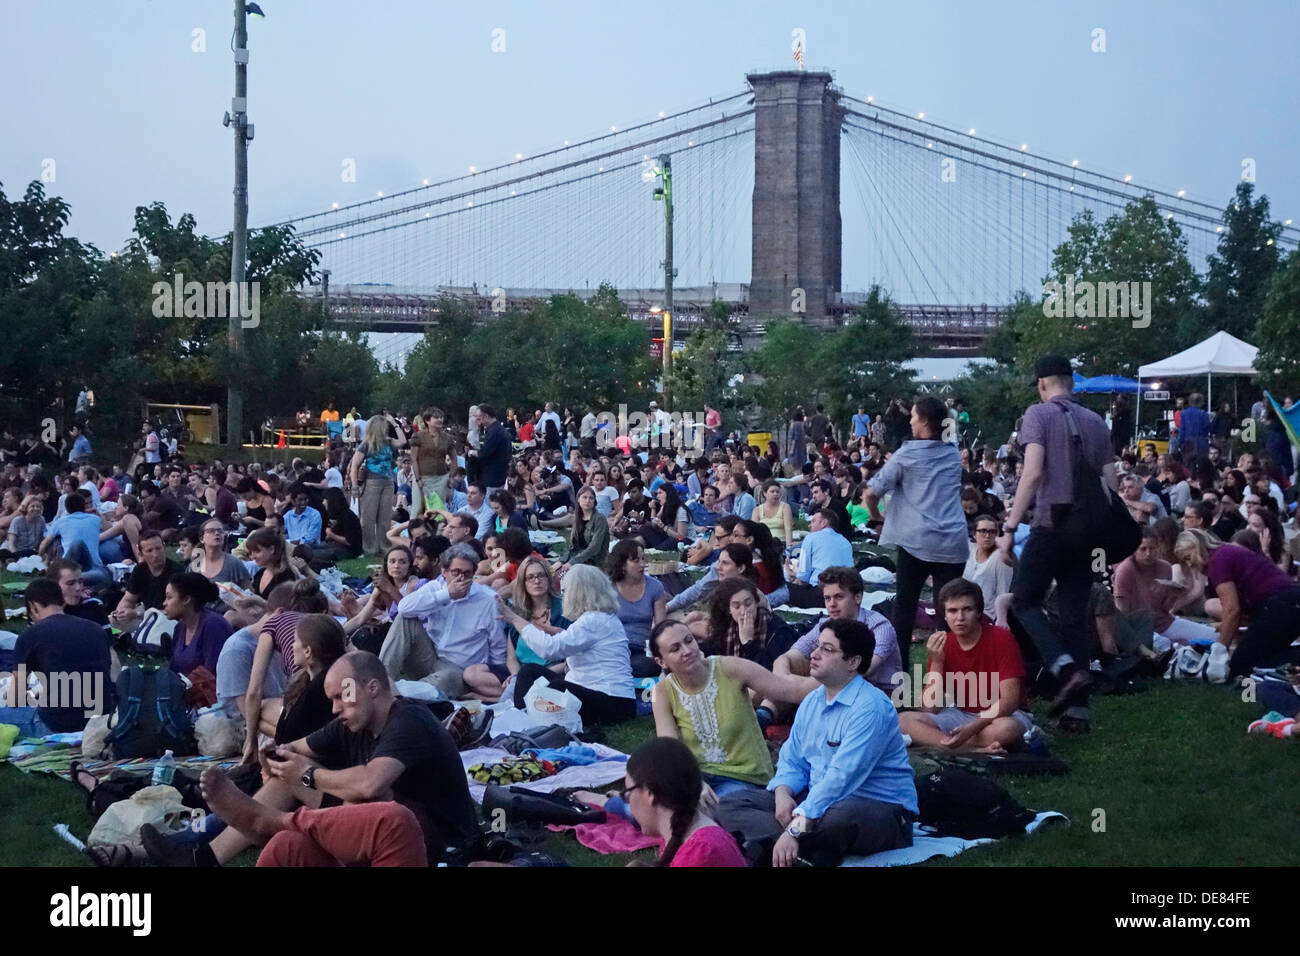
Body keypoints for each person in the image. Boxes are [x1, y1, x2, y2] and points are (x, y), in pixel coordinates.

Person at [147, 651, 476, 867]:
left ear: (373, 688)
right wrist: (274, 759)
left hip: (430, 843)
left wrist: (309, 776)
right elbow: (293, 748)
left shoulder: (409, 720)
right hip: (373, 830)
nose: (334, 708)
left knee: (370, 795)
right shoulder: (352, 720)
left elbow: (370, 783)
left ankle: (262, 823)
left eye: (340, 697)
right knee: (291, 780)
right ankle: (207, 858)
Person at [716, 618, 917, 867]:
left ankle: (783, 844)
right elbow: (792, 760)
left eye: (827, 649)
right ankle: (802, 850)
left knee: (837, 818)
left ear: (853, 662)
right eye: (818, 646)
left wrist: (795, 828)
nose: (814, 654)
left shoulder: (870, 708)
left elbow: (843, 778)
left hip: (875, 807)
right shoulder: (812, 701)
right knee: (730, 805)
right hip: (815, 796)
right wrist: (782, 794)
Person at [1001, 355, 1117, 734]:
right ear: (1071, 382)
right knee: (1072, 613)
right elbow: (1110, 482)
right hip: (1089, 529)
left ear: (1041, 384)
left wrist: (1011, 525)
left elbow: (1033, 472)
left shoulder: (1038, 414)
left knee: (1022, 600)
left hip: (1052, 524)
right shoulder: (1096, 421)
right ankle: (1078, 713)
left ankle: (1064, 669)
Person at [863, 396, 969, 648]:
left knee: (905, 605)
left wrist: (877, 516)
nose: (910, 421)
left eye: (912, 416)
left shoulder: (906, 454)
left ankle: (900, 670)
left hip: (917, 540)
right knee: (950, 611)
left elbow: (870, 492)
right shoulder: (953, 454)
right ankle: (948, 672)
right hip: (953, 541)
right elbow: (949, 434)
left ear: (923, 422)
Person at [898, 578, 1036, 753]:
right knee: (903, 720)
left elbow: (1010, 700)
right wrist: (938, 662)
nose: (960, 618)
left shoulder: (1001, 638)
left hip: (1002, 715)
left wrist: (973, 728)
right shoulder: (943, 643)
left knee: (1005, 729)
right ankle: (971, 749)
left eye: (967, 609)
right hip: (961, 713)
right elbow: (930, 708)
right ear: (945, 616)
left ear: (978, 612)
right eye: (953, 611)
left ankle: (950, 744)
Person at [498, 564, 636, 724]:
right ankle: (522, 716)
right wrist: (556, 632)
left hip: (613, 702)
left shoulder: (592, 620)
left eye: (566, 591)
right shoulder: (601, 618)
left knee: (552, 689)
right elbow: (578, 643)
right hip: (608, 697)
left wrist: (514, 618)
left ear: (579, 593)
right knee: (529, 672)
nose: (564, 597)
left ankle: (523, 721)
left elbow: (550, 650)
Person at [378, 542, 506, 699]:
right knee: (405, 619)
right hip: (429, 654)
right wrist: (446, 595)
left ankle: (399, 695)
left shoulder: (488, 600)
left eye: (467, 573)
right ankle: (382, 679)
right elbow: (404, 607)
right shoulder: (435, 587)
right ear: (444, 572)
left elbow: (498, 646)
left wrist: (490, 679)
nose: (461, 578)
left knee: (446, 681)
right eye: (456, 572)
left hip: (458, 667)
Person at [1173, 529, 1300, 678]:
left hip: (1279, 604)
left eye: (1188, 557)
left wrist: (1218, 651)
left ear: (1197, 547)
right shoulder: (1227, 552)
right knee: (1264, 655)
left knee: (1241, 665)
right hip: (1287, 601)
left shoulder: (1218, 560)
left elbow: (1232, 609)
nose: (1189, 564)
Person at [0, 578, 113, 736]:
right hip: (101, 719)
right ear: (62, 602)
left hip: (57, 724)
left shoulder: (31, 635)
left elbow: (15, 698)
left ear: (33, 606)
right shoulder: (96, 630)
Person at [774, 566, 900, 695]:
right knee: (794, 667)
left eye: (839, 597)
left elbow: (862, 671)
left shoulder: (879, 626)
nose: (831, 604)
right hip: (841, 686)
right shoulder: (826, 624)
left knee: (802, 678)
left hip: (881, 694)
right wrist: (782, 670)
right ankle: (766, 711)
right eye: (827, 598)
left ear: (858, 597)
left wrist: (797, 684)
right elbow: (794, 653)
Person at [701, 577, 799, 669]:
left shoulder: (777, 631)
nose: (744, 611)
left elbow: (769, 673)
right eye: (737, 607)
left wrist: (748, 643)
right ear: (729, 609)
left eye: (748, 604)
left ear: (756, 602)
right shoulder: (726, 626)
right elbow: (708, 650)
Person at [350, 412, 407, 555]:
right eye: (385, 426)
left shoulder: (388, 441)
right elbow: (354, 466)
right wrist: (355, 485)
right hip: (371, 482)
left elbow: (402, 441)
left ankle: (385, 546)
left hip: (388, 482)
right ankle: (369, 547)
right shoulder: (366, 445)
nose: (386, 428)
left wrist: (394, 423)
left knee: (385, 518)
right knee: (368, 517)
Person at [609, 539, 668, 676]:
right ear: (622, 564)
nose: (642, 564)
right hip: (614, 646)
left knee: (650, 666)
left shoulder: (655, 587)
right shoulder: (608, 587)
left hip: (641, 648)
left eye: (643, 559)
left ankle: (614, 670)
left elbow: (661, 627)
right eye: (636, 560)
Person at [164, 572, 234, 679]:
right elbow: (173, 670)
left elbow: (212, 676)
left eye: (169, 597)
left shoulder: (214, 625)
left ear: (186, 599)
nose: (164, 603)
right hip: (184, 691)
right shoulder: (180, 627)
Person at [108, 530, 180, 631]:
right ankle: (121, 638)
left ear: (164, 547)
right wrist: (121, 612)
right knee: (112, 620)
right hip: (146, 614)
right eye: (149, 551)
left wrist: (137, 614)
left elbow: (177, 610)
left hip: (169, 618)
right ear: (141, 553)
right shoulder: (140, 570)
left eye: (158, 548)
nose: (155, 554)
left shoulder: (177, 572)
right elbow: (128, 599)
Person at [783, 508, 853, 608]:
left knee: (780, 586)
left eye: (813, 521)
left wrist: (794, 575)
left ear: (824, 523)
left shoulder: (811, 538)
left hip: (823, 595)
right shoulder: (846, 542)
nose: (809, 525)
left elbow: (803, 580)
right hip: (846, 596)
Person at [964, 514, 1015, 614]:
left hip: (985, 613)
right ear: (974, 534)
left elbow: (1002, 592)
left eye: (992, 532)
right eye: (983, 531)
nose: (987, 536)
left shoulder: (1001, 557)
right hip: (962, 606)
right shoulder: (969, 549)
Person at [556, 485, 610, 574]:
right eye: (584, 497)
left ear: (594, 502)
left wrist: (572, 562)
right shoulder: (578, 518)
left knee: (565, 575)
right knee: (552, 571)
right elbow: (572, 548)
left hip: (594, 560)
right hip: (578, 557)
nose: (587, 501)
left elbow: (594, 548)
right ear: (578, 499)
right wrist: (561, 561)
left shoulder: (599, 519)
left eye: (591, 498)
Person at [471, 404, 511, 494]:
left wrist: (472, 452)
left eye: (479, 417)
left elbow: (483, 453)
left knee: (491, 504)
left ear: (486, 416)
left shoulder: (495, 432)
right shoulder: (498, 430)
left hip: (493, 477)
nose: (477, 420)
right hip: (498, 474)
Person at [754, 480, 793, 549]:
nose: (775, 494)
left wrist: (789, 546)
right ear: (765, 493)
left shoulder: (785, 507)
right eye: (772, 492)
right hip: (764, 545)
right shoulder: (757, 510)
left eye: (777, 492)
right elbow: (755, 532)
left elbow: (788, 528)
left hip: (781, 543)